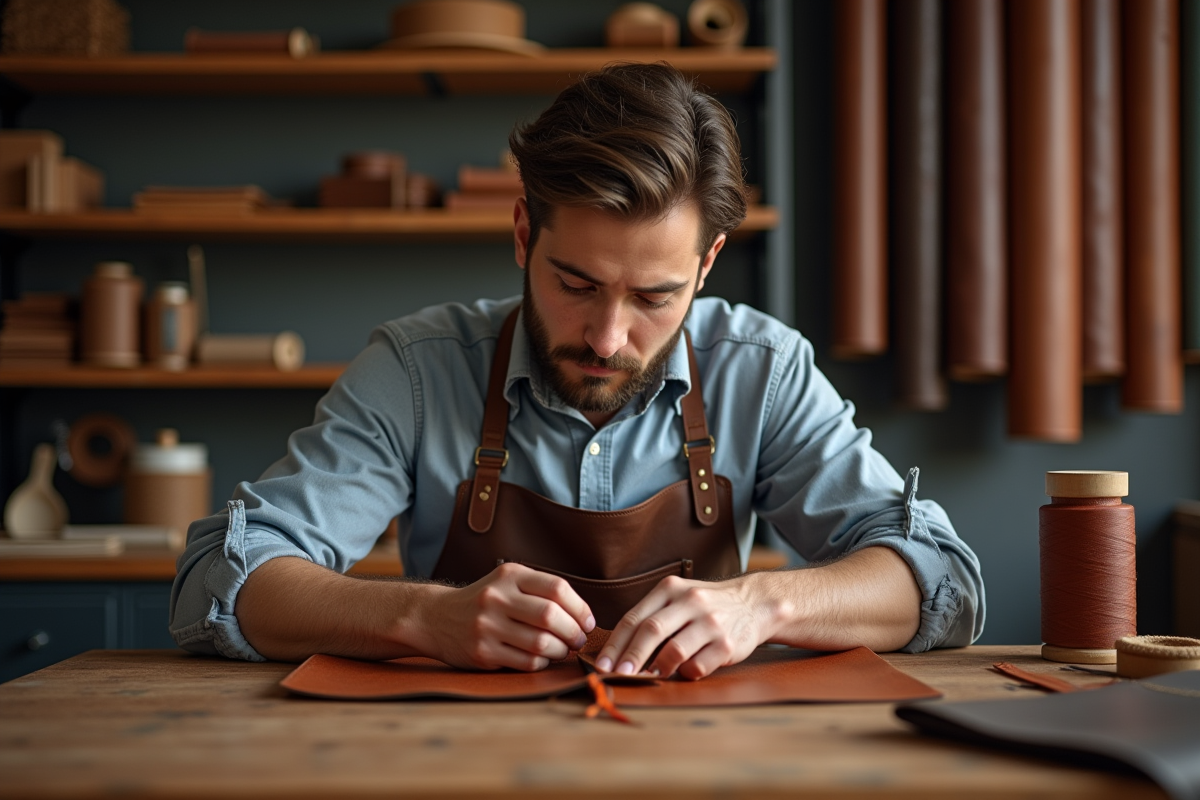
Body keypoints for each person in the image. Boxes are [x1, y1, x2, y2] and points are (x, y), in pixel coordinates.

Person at [170, 63, 984, 680]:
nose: (607, 337)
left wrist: (764, 603)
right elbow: (221, 579)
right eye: (576, 284)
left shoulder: (761, 371)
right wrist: (424, 616)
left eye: (655, 297)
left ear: (706, 265)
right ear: (525, 235)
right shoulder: (418, 371)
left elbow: (940, 578)